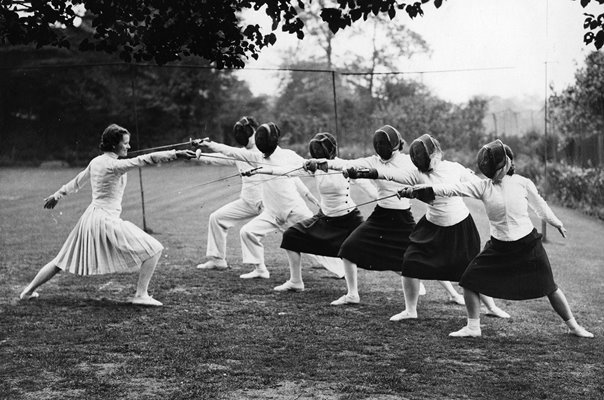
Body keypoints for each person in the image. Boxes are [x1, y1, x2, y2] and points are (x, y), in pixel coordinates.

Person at [404, 139, 593, 338]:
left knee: (550, 287)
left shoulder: (522, 182)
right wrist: (417, 190)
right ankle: (473, 327)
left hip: (528, 245)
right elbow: (451, 188)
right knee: (469, 281)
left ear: (507, 163)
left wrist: (556, 222)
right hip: (498, 247)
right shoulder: (483, 187)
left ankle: (574, 327)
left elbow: (540, 206)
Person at [19, 124, 196, 306]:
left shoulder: (97, 161)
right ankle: (141, 295)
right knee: (155, 249)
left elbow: (77, 181)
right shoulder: (114, 165)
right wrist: (176, 154)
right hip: (105, 220)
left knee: (60, 261)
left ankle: (27, 292)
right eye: (125, 144)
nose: (128, 147)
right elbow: (145, 159)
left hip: (90, 219)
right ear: (113, 145)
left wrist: (57, 195)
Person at [347, 134, 509, 320]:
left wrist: (501, 183)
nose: (421, 161)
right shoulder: (417, 173)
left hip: (460, 226)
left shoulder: (453, 168)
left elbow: (479, 184)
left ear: (435, 153)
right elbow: (390, 174)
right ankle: (410, 310)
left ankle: (491, 307)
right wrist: (363, 173)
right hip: (431, 225)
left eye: (424, 156)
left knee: (471, 270)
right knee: (409, 262)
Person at [194, 123, 345, 279]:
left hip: (294, 210)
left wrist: (330, 170)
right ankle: (260, 270)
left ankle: (342, 271)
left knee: (315, 241)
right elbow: (232, 152)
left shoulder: (288, 155)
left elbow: (309, 167)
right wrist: (209, 145)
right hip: (272, 213)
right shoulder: (256, 156)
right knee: (248, 232)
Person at [246, 132, 378, 291]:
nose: (317, 154)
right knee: (291, 236)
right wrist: (260, 171)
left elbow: (368, 187)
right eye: (315, 151)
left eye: (320, 151)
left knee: (376, 248)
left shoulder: (344, 165)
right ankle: (296, 282)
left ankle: (414, 283)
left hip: (349, 219)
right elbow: (288, 171)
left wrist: (383, 200)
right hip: (325, 219)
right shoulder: (314, 167)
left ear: (330, 150)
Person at [315, 125, 417, 306]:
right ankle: (352, 294)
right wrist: (323, 163)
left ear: (395, 144)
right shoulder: (373, 160)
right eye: (378, 144)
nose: (380, 147)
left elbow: (405, 175)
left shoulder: (409, 161)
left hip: (402, 218)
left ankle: (452, 293)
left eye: (384, 143)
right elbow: (348, 163)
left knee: (420, 256)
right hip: (381, 215)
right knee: (348, 249)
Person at [194, 116, 264, 270]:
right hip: (247, 202)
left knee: (293, 230)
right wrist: (199, 156)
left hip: (266, 204)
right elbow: (223, 158)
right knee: (217, 218)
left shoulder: (263, 151)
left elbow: (229, 152)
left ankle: (320, 258)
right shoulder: (241, 152)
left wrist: (209, 144)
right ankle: (218, 259)